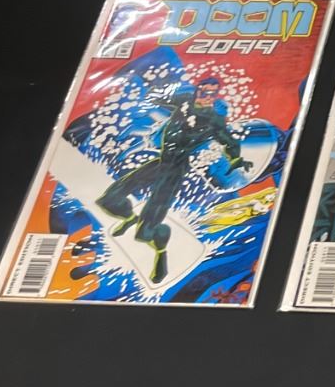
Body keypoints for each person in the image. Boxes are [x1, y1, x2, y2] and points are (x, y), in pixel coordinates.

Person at [97, 76, 248, 284]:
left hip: (175, 171)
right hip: (160, 163)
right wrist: (153, 91)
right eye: (204, 92)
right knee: (109, 200)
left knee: (145, 233)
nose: (207, 97)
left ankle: (161, 252)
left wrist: (237, 159)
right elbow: (161, 97)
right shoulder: (185, 99)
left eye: (212, 94)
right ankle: (129, 218)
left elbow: (228, 141)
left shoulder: (214, 119)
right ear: (198, 90)